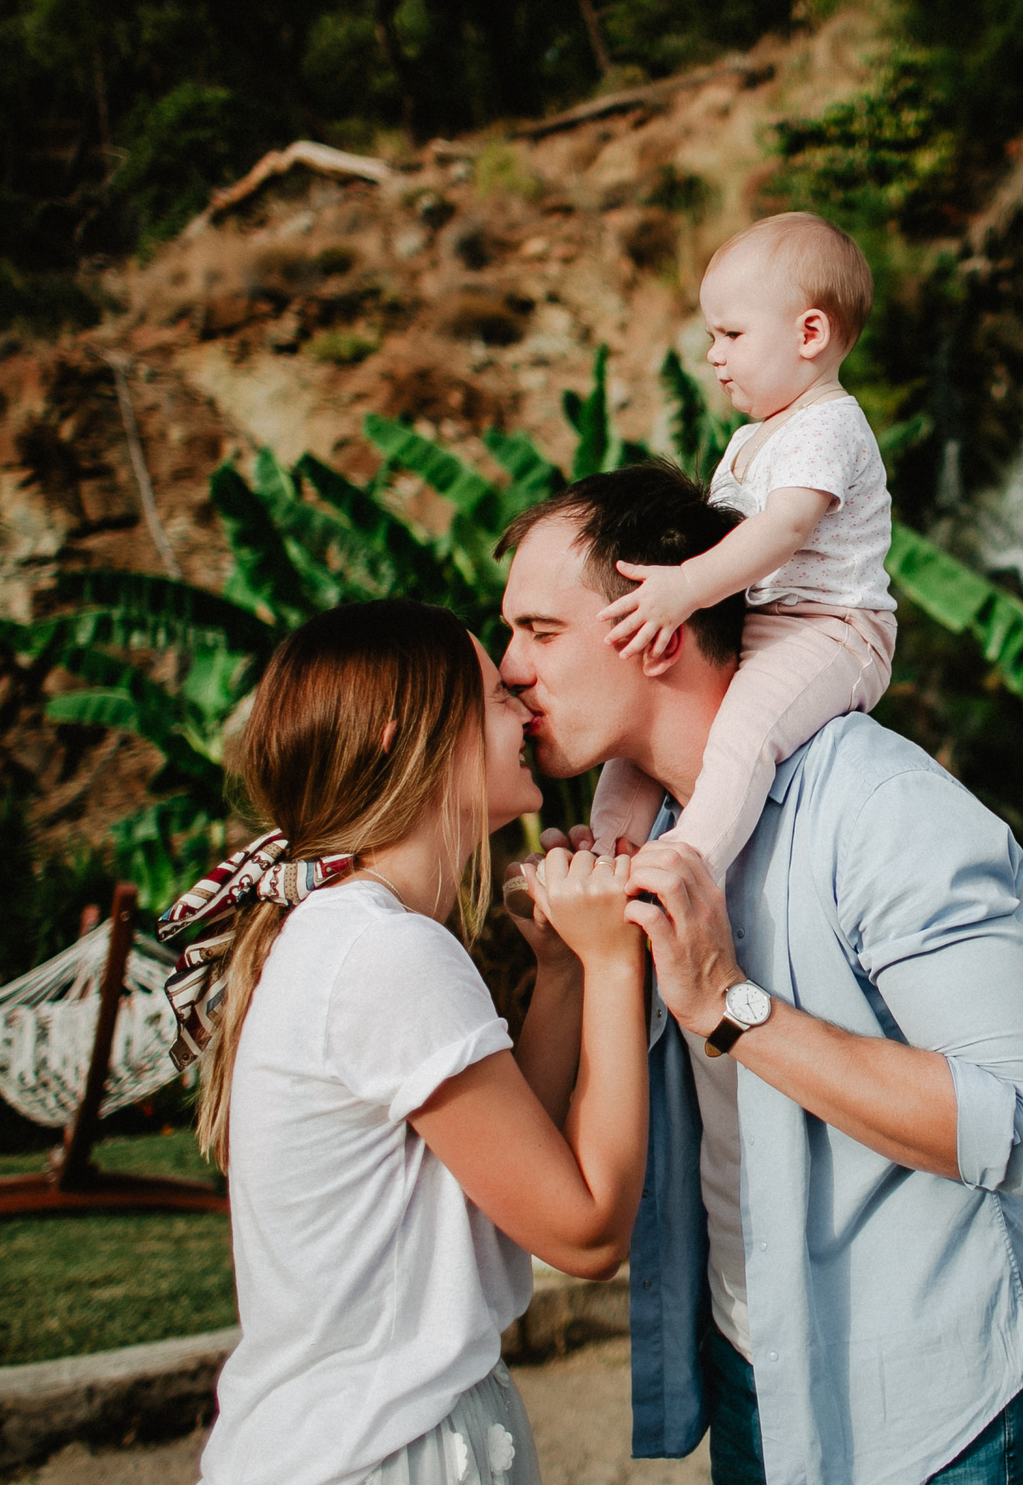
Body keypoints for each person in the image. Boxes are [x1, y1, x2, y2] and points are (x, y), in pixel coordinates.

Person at [496, 467, 1023, 1485]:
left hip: (933, 1421)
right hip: (752, 1383)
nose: (509, 671)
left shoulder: (882, 805)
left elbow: (1017, 1127)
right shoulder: (652, 832)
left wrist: (730, 1006)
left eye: (539, 631)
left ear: (656, 626)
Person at [167, 598, 653, 1485]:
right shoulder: (385, 951)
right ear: (403, 740)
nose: (519, 696)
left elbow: (516, 1177)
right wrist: (617, 958)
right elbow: (585, 1233)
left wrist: (564, 972)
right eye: (489, 692)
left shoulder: (350, 933)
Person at [585, 211, 897, 881]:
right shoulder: (751, 437)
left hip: (830, 630)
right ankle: (606, 850)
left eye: (730, 334)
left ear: (809, 333)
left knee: (743, 734)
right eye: (710, 336)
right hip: (757, 624)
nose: (713, 355)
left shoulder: (829, 423)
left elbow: (784, 527)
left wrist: (688, 587)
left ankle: (681, 866)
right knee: (649, 708)